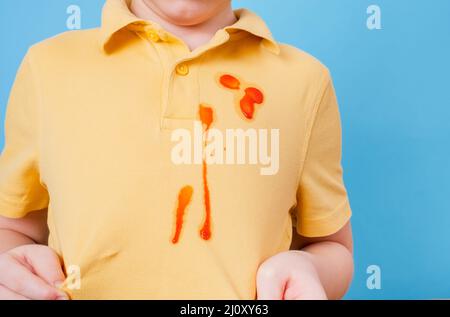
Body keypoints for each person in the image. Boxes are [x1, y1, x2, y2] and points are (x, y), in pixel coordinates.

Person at [0, 0, 353, 300]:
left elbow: (332, 247)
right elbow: (13, 229)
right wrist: (13, 265)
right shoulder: (48, 67)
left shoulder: (305, 80)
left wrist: (308, 267)